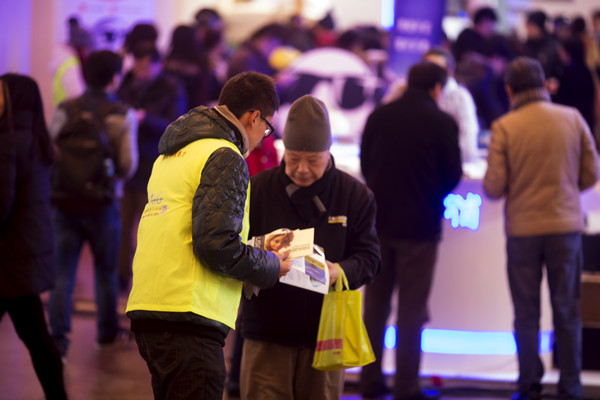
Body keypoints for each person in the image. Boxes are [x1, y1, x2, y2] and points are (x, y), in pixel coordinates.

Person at [126, 71, 292, 400]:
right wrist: (271, 265)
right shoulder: (225, 156)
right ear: (254, 117)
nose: (264, 137)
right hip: (189, 316)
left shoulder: (173, 153)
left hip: (152, 307)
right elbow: (217, 245)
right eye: (267, 127)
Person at [239, 95, 381, 400]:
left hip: (325, 336)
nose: (302, 169)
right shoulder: (258, 189)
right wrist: (261, 259)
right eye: (293, 159)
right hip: (266, 332)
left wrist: (338, 271)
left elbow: (370, 258)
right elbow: (234, 251)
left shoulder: (354, 195)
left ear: (329, 152)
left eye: (313, 161)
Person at [483, 56, 600, 400]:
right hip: (565, 226)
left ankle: (528, 386)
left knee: (526, 313)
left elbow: (493, 188)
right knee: (567, 311)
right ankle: (570, 387)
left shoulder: (504, 126)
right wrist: (566, 190)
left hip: (522, 230)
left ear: (509, 90)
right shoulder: (572, 118)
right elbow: (592, 173)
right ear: (545, 85)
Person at [360, 62, 462, 400]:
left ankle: (369, 381)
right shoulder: (442, 122)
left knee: (375, 307)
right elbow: (453, 174)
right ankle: (406, 386)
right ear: (437, 88)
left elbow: (365, 164)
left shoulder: (379, 116)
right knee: (411, 310)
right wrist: (430, 196)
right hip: (421, 226)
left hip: (378, 225)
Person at [48, 50, 138, 358]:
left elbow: (50, 151)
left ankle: (58, 340)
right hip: (103, 203)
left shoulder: (66, 109)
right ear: (114, 78)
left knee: (62, 273)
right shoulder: (122, 113)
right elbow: (127, 164)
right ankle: (106, 335)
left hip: (65, 202)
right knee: (105, 273)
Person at [0, 74, 69, 400]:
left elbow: (1, 202)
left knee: (37, 336)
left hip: (10, 255)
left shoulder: (8, 140)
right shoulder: (37, 139)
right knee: (36, 336)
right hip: (26, 250)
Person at [117, 44, 187, 291]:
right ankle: (121, 277)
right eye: (138, 64)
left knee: (153, 228)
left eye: (147, 66)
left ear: (159, 64)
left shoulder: (171, 87)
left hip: (155, 166)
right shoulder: (126, 83)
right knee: (123, 226)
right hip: (126, 165)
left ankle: (150, 280)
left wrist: (145, 118)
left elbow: (176, 126)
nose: (142, 70)